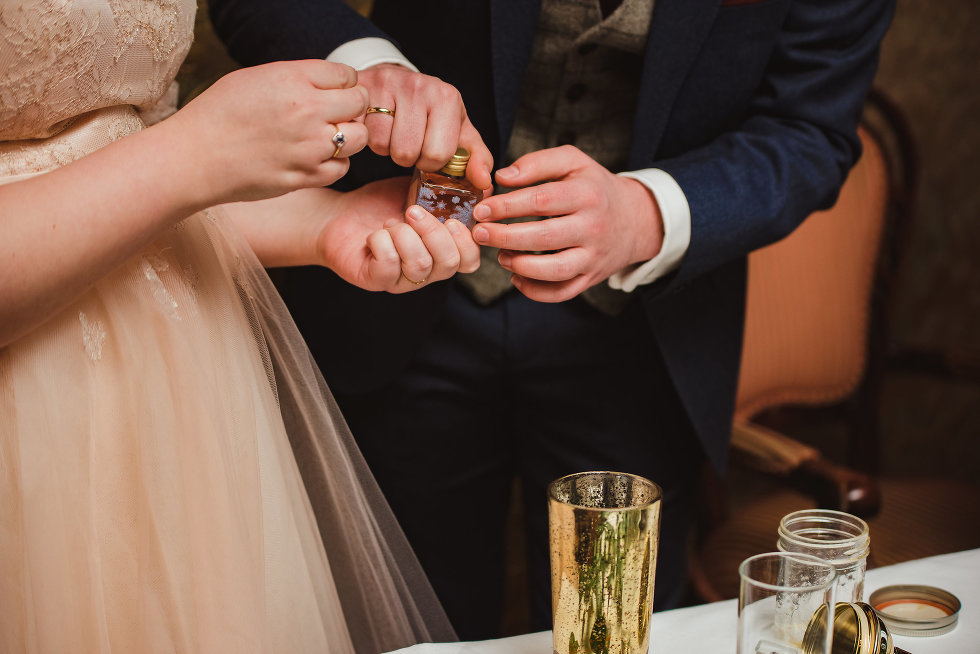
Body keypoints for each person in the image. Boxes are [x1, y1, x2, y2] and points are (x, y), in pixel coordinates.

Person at [209, 0, 896, 639]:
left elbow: (810, 131)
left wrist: (645, 215)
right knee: (401, 626)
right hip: (399, 293)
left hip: (643, 345)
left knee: (608, 633)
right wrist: (368, 71)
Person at [0, 1, 481, 651]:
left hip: (183, 394)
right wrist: (196, 152)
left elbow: (112, 154)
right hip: (30, 424)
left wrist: (322, 225)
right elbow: (172, 163)